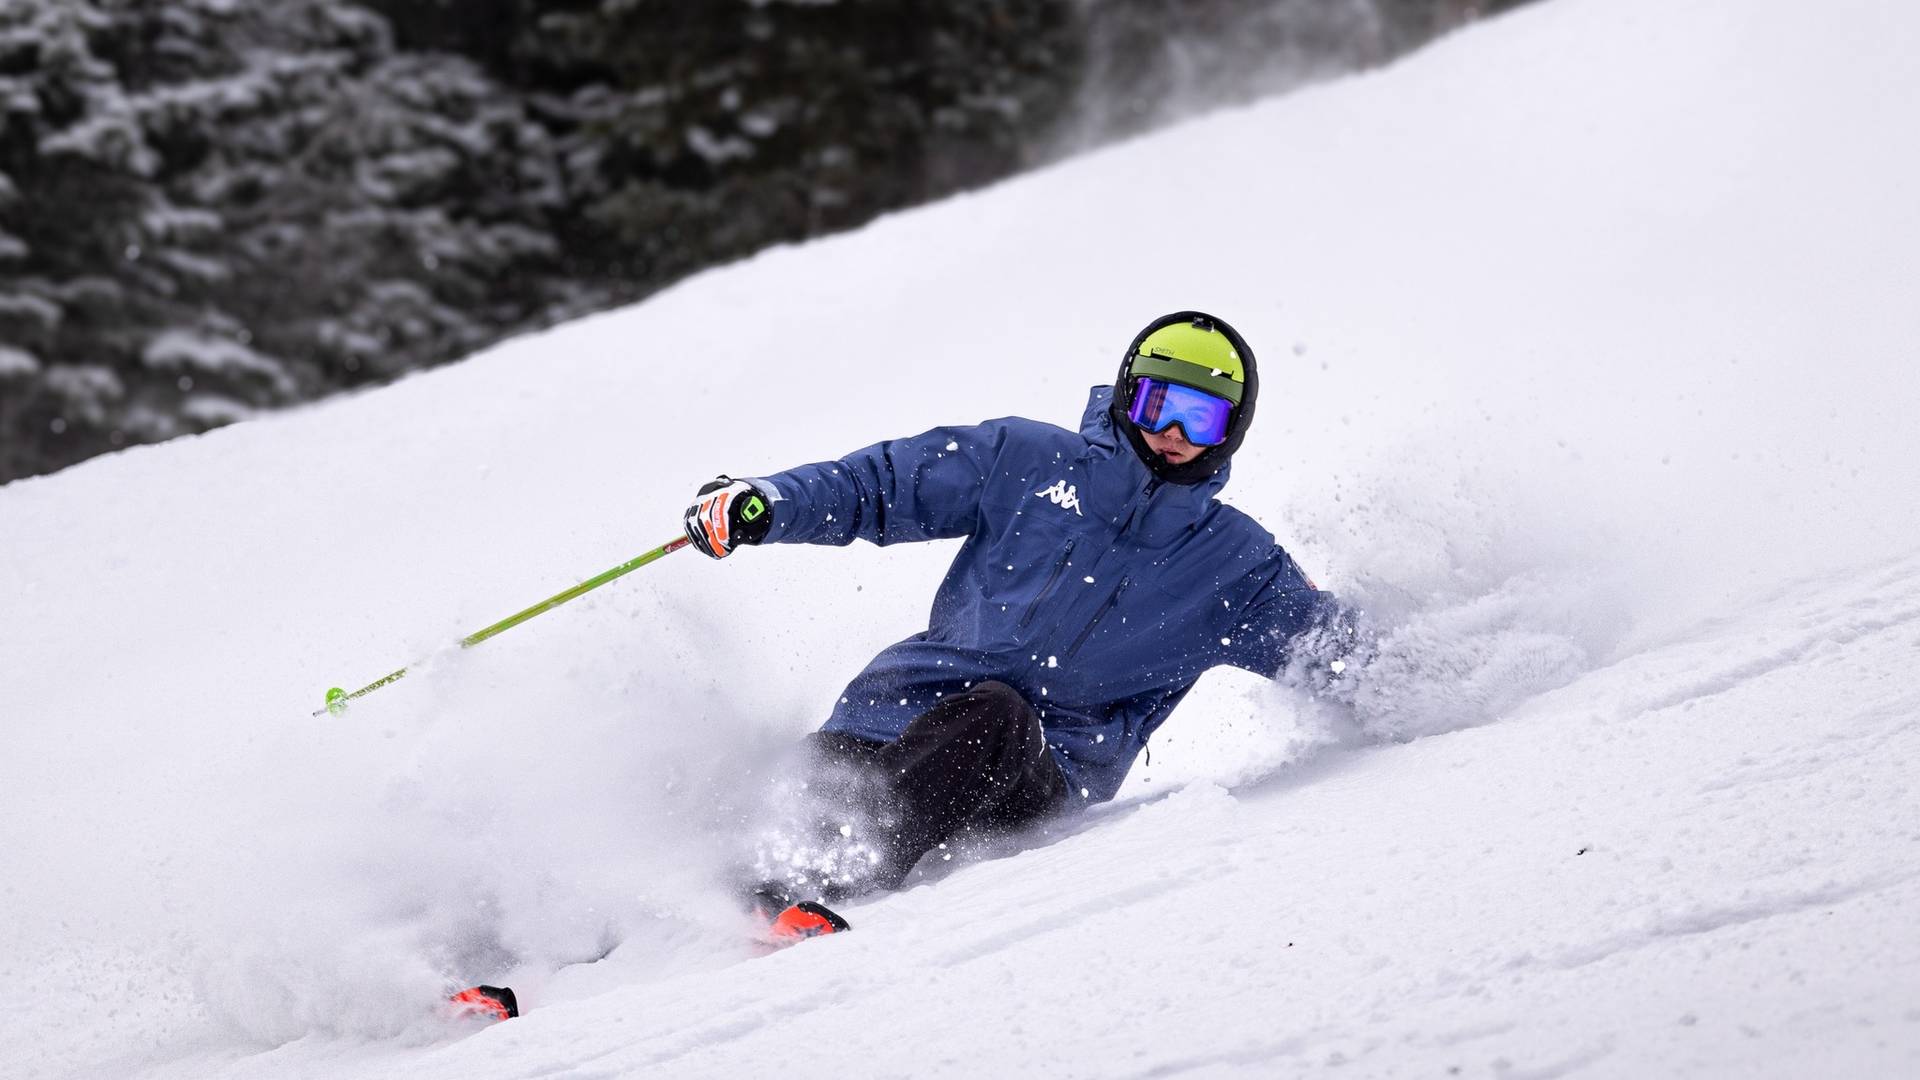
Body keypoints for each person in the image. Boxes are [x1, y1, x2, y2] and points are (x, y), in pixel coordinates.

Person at [681, 311, 1358, 937]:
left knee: (997, 716)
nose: (1172, 434)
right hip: (894, 716)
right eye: (1158, 406)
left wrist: (1440, 670)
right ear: (1128, 399)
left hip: (1036, 765)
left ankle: (827, 871)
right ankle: (625, 919)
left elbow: (1336, 655)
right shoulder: (1027, 461)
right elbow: (881, 486)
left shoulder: (1233, 564)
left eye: (1200, 419)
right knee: (764, 793)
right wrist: (766, 504)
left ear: (1231, 432)